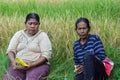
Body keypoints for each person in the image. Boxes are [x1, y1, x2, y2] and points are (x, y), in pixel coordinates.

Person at [4, 13, 52, 80]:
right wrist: (13, 62)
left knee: (32, 78)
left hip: (38, 65)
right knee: (9, 78)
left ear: (39, 25)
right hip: (19, 65)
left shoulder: (43, 36)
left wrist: (32, 64)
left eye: (35, 24)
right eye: (30, 23)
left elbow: (46, 56)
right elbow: (11, 50)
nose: (32, 26)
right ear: (25, 24)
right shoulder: (18, 34)